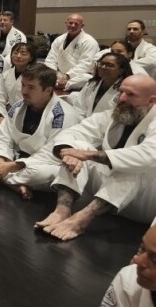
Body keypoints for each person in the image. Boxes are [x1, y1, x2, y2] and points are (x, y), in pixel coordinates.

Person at [36, 74, 156, 240]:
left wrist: (89, 155)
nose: (122, 98)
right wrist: (69, 153)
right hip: (111, 197)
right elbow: (73, 132)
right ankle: (62, 211)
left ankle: (81, 219)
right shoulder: (115, 114)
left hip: (146, 202)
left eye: (131, 94)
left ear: (151, 101)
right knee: (77, 146)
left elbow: (150, 155)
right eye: (121, 92)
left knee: (130, 165)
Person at [0, 64, 80, 199]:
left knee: (42, 174)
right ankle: (12, 182)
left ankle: (2, 178)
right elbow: (4, 138)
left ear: (48, 90)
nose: (24, 91)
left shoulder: (63, 114)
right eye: (23, 85)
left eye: (31, 87)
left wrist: (11, 166)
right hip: (16, 159)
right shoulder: (18, 107)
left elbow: (53, 154)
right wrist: (0, 161)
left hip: (44, 165)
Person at [66, 52, 132, 118]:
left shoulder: (125, 91)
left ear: (121, 70)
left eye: (109, 65)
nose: (103, 67)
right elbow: (79, 108)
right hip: (83, 124)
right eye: (102, 63)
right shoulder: (92, 84)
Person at [44, 13, 100, 91]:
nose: (73, 25)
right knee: (42, 72)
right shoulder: (59, 39)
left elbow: (86, 64)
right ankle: (58, 83)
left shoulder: (89, 41)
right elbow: (50, 59)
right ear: (66, 23)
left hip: (77, 76)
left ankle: (61, 84)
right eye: (70, 23)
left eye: (76, 24)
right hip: (59, 75)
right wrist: (53, 74)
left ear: (82, 25)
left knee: (87, 79)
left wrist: (67, 76)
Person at [0, 42, 36, 128]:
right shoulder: (6, 75)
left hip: (29, 114)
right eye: (15, 53)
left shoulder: (36, 76)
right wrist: (0, 116)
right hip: (9, 113)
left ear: (31, 58)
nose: (18, 56)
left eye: (23, 54)